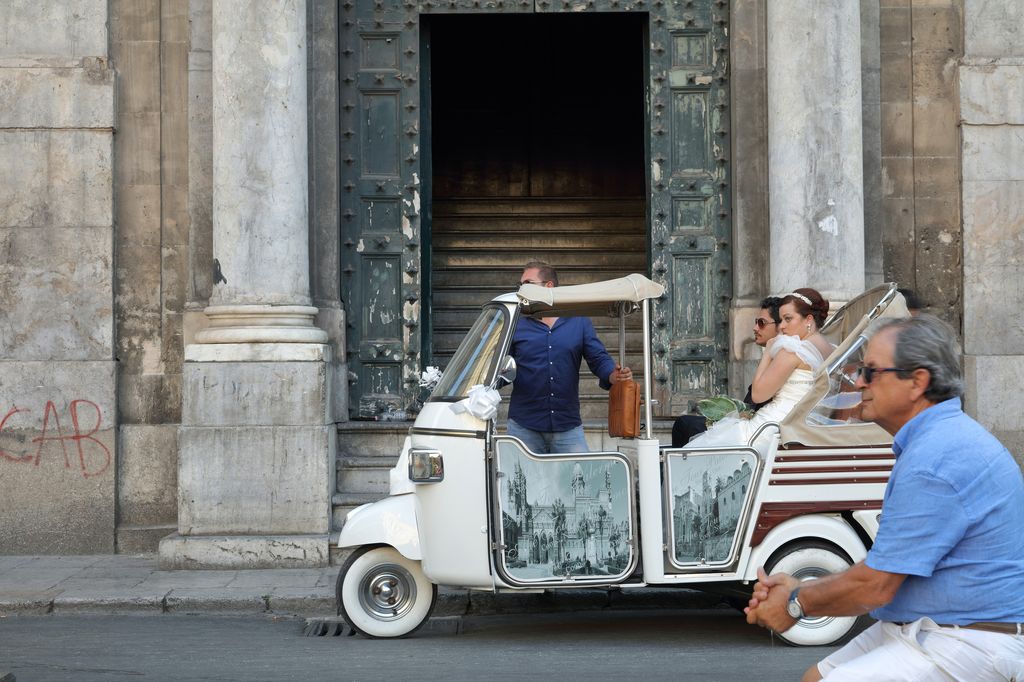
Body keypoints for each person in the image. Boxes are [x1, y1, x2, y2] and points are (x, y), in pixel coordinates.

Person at [745, 315, 1024, 681]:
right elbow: (885, 572)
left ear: (917, 382)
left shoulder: (935, 459)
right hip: (929, 626)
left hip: (968, 641)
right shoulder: (937, 441)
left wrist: (796, 604)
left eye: (871, 372)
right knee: (814, 676)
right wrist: (801, 587)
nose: (859, 382)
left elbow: (875, 586)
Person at [507, 262, 632, 453]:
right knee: (521, 483)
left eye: (528, 283)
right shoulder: (515, 324)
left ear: (548, 286)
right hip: (524, 427)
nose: (521, 289)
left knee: (579, 481)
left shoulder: (579, 321)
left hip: (567, 426)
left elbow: (598, 357)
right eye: (520, 284)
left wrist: (612, 375)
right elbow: (499, 367)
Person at [685, 288, 832, 450]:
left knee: (700, 445)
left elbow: (758, 395)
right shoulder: (832, 350)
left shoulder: (793, 351)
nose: (782, 326)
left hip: (771, 429)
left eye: (788, 319)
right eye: (781, 320)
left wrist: (768, 352)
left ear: (808, 320)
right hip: (803, 428)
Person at [671, 296, 784, 447]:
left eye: (761, 323)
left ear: (780, 326)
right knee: (686, 423)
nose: (755, 328)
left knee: (685, 424)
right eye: (756, 322)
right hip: (750, 423)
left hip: (760, 430)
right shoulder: (775, 355)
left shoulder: (781, 359)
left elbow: (758, 399)